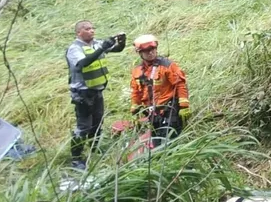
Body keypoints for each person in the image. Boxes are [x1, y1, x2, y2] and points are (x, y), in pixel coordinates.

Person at [66, 20, 126, 169]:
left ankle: (94, 149)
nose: (92, 31)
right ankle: (76, 158)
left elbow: (117, 49)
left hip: (97, 90)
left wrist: (122, 42)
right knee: (83, 127)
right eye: (87, 29)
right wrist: (102, 48)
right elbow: (82, 63)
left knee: (97, 123)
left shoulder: (95, 44)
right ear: (79, 32)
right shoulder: (74, 49)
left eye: (93, 28)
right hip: (82, 93)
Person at [129, 34, 190, 144]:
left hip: (169, 108)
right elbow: (136, 92)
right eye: (146, 51)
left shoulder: (167, 66)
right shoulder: (137, 71)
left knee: (170, 140)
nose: (150, 52)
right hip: (151, 112)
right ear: (140, 53)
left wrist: (184, 106)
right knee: (156, 142)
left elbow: (180, 84)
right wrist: (135, 112)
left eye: (152, 49)